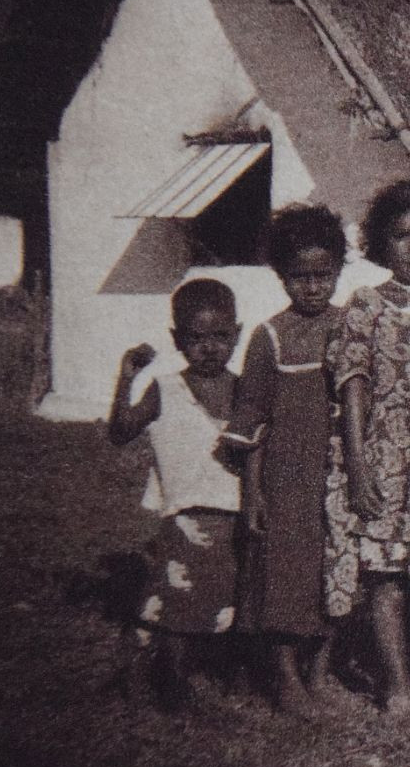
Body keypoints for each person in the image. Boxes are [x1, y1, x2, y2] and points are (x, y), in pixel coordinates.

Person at [325, 180, 410, 715]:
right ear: (382, 242)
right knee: (384, 578)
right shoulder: (364, 306)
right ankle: (396, 681)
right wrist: (357, 463)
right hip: (381, 461)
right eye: (403, 235)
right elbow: (352, 382)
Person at [222, 205, 346, 717]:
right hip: (285, 477)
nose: (313, 287)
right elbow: (252, 416)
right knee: (283, 575)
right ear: (281, 276)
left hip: (336, 473)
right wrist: (253, 493)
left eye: (323, 275)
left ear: (339, 270)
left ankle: (321, 669)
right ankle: (285, 676)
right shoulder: (269, 336)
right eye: (300, 277)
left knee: (334, 572)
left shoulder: (351, 323)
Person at [108, 278, 242, 712]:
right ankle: (170, 679)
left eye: (220, 336)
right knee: (182, 603)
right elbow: (121, 432)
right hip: (185, 514)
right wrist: (127, 378)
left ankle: (215, 673)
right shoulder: (165, 390)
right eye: (196, 338)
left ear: (236, 334)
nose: (209, 348)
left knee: (222, 598)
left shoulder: (245, 390)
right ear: (176, 339)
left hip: (234, 513)